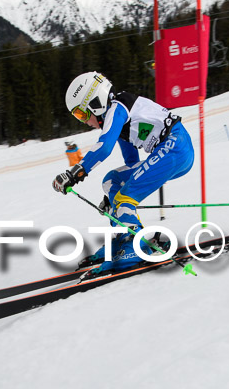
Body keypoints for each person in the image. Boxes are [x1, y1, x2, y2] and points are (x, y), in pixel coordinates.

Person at [52, 71, 194, 273]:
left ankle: (137, 246)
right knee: (112, 181)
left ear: (95, 102)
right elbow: (131, 161)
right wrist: (115, 205)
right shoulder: (118, 117)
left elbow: (104, 147)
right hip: (172, 151)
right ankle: (124, 236)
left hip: (175, 148)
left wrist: (75, 172)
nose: (83, 121)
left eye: (81, 114)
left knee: (125, 196)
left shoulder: (118, 108)